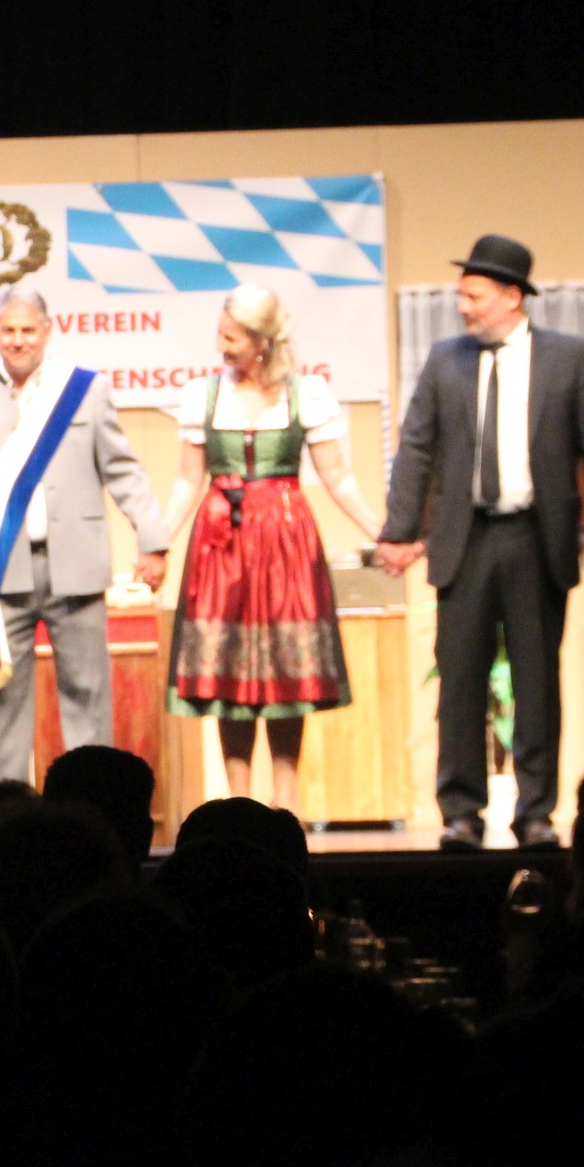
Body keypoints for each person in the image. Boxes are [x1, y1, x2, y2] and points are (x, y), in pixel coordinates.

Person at [378, 235, 584, 850]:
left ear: (513, 297)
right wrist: (400, 530)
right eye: (462, 297)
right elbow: (416, 448)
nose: (463, 308)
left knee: (537, 681)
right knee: (461, 679)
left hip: (536, 538)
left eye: (475, 297)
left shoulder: (569, 358)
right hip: (465, 539)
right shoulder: (446, 360)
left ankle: (535, 811)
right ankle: (461, 812)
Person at [0, 287, 168, 783]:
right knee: (3, 704)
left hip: (76, 568)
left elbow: (123, 471)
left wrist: (152, 539)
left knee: (87, 695)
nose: (18, 341)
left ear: (47, 330)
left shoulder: (85, 390)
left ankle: (89, 807)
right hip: (3, 576)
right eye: (8, 330)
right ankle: (9, 811)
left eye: (27, 330)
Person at [165, 284, 382, 812]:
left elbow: (337, 476)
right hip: (221, 542)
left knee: (287, 668)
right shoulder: (203, 395)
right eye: (221, 335)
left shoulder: (305, 393)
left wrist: (382, 532)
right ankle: (238, 802)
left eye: (232, 338)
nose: (221, 347)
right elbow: (187, 481)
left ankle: (286, 801)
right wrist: (156, 543)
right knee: (228, 668)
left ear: (262, 341)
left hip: (285, 538)